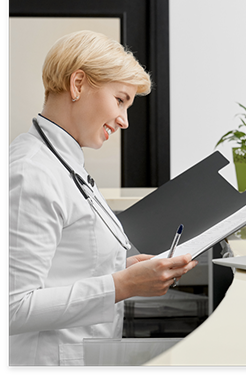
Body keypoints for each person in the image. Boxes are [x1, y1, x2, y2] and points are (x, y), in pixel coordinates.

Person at [9, 30, 198, 365]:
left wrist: (123, 270)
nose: (124, 121)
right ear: (78, 84)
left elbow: (63, 266)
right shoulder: (32, 173)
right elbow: (14, 306)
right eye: (120, 100)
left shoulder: (64, 163)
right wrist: (121, 284)